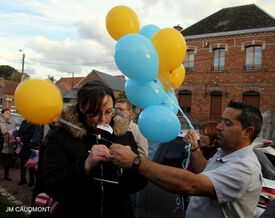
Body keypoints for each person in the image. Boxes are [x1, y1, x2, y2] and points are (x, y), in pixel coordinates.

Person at [110, 101, 263, 218]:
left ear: (247, 132)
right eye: (221, 120)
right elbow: (204, 170)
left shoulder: (244, 167)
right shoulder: (224, 152)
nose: (219, 127)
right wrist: (195, 149)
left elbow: (191, 185)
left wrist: (136, 162)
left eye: (227, 123)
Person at [41, 80, 147, 217]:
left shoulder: (124, 136)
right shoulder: (60, 137)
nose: (103, 119)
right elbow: (51, 186)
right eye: (94, 114)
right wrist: (85, 165)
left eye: (108, 112)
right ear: (82, 107)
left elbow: (139, 184)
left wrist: (133, 163)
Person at [115, 98, 148, 218]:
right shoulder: (110, 127)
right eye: (115, 109)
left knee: (131, 208)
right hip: (115, 179)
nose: (117, 112)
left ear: (129, 112)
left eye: (120, 109)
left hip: (131, 178)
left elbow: (143, 155)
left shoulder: (138, 131)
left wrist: (129, 157)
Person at [16, 120, 41, 186]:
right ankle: (23, 179)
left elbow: (31, 134)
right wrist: (17, 136)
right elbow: (19, 131)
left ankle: (31, 181)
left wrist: (21, 138)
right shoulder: (24, 121)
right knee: (22, 163)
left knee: (31, 165)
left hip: (30, 146)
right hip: (22, 146)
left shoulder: (35, 123)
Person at [0, 108, 16, 180]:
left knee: (8, 162)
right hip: (1, 144)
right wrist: (2, 132)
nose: (8, 114)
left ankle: (6, 175)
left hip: (10, 145)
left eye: (9, 113)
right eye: (7, 113)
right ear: (2, 114)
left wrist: (14, 135)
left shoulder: (12, 122)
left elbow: (15, 131)